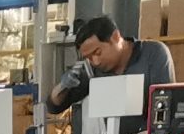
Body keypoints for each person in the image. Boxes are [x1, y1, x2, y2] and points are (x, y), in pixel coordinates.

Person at [48, 15, 176, 113]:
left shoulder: (153, 54)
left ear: (115, 37)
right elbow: (54, 106)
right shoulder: (92, 70)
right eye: (89, 58)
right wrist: (63, 86)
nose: (95, 61)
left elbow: (164, 104)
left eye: (98, 52)